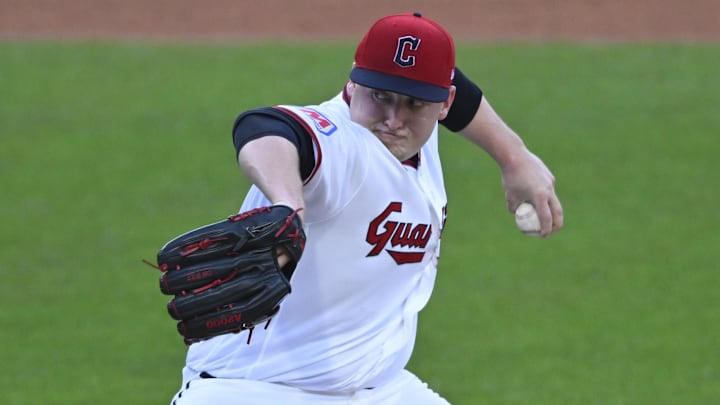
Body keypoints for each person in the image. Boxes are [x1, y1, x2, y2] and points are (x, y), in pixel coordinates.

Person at [169, 12, 563, 404]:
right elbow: (266, 128)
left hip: (378, 389)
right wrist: (288, 204)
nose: (393, 119)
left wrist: (514, 157)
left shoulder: (422, 125)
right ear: (354, 80)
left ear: (444, 105)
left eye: (413, 103)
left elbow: (450, 81)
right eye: (380, 95)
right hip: (256, 390)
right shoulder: (340, 141)